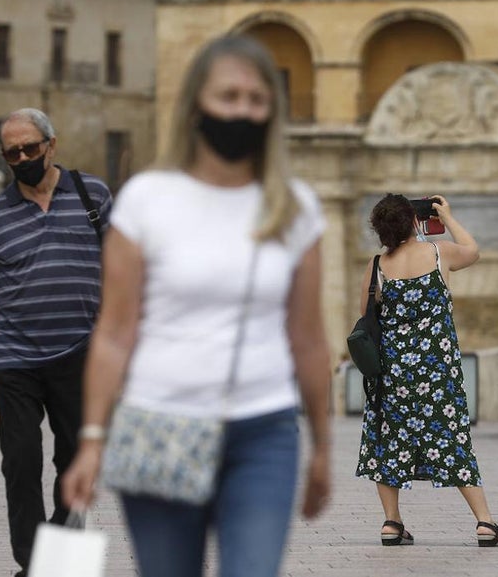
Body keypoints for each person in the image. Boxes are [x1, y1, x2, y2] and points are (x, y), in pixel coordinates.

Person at [61, 35, 331, 577]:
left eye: (257, 100)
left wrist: (323, 446)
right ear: (195, 105)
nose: (242, 111)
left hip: (262, 428)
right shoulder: (148, 200)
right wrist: (91, 439)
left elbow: (307, 337)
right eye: (228, 96)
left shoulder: (294, 208)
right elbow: (115, 331)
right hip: (161, 418)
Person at [0, 108, 112, 577]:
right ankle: (35, 562)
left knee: (76, 462)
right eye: (11, 152)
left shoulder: (92, 195)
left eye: (30, 148)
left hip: (82, 351)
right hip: (14, 355)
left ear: (51, 145)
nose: (22, 158)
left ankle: (56, 559)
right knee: (20, 462)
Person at [355, 193, 498, 548]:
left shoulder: (377, 265)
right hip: (438, 373)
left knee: (389, 443)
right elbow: (473, 250)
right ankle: (485, 523)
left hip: (393, 375)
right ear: (413, 221)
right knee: (452, 440)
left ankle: (392, 523)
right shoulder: (438, 252)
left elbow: (365, 316)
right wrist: (448, 217)